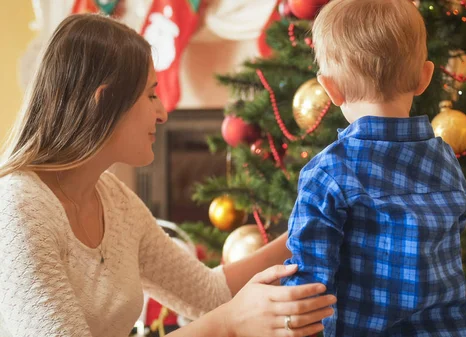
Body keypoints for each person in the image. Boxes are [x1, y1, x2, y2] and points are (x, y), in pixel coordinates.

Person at [0, 13, 335, 337]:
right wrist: (228, 324)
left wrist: (304, 228)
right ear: (103, 102)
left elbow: (209, 293)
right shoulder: (18, 209)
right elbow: (220, 313)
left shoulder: (112, 199)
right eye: (150, 95)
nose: (162, 113)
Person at [281, 0, 466, 336]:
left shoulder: (328, 171)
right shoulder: (445, 160)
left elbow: (308, 282)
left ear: (331, 88)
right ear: (424, 77)